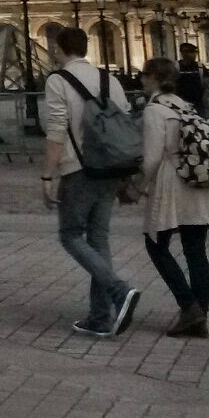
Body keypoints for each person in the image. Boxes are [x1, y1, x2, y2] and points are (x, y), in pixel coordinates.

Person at [42, 26, 140, 338]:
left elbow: (57, 129)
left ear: (59, 48)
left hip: (78, 168)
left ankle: (118, 290)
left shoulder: (58, 80)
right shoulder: (109, 80)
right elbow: (124, 121)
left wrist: (48, 173)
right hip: (111, 167)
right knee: (99, 239)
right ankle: (100, 317)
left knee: (70, 235)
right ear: (86, 48)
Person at [137, 57, 209, 339]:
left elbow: (153, 158)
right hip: (196, 177)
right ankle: (200, 314)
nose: (141, 81)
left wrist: (141, 184)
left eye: (144, 76)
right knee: (195, 250)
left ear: (152, 77)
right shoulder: (185, 105)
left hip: (171, 181)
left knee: (156, 244)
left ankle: (189, 306)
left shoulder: (155, 111)